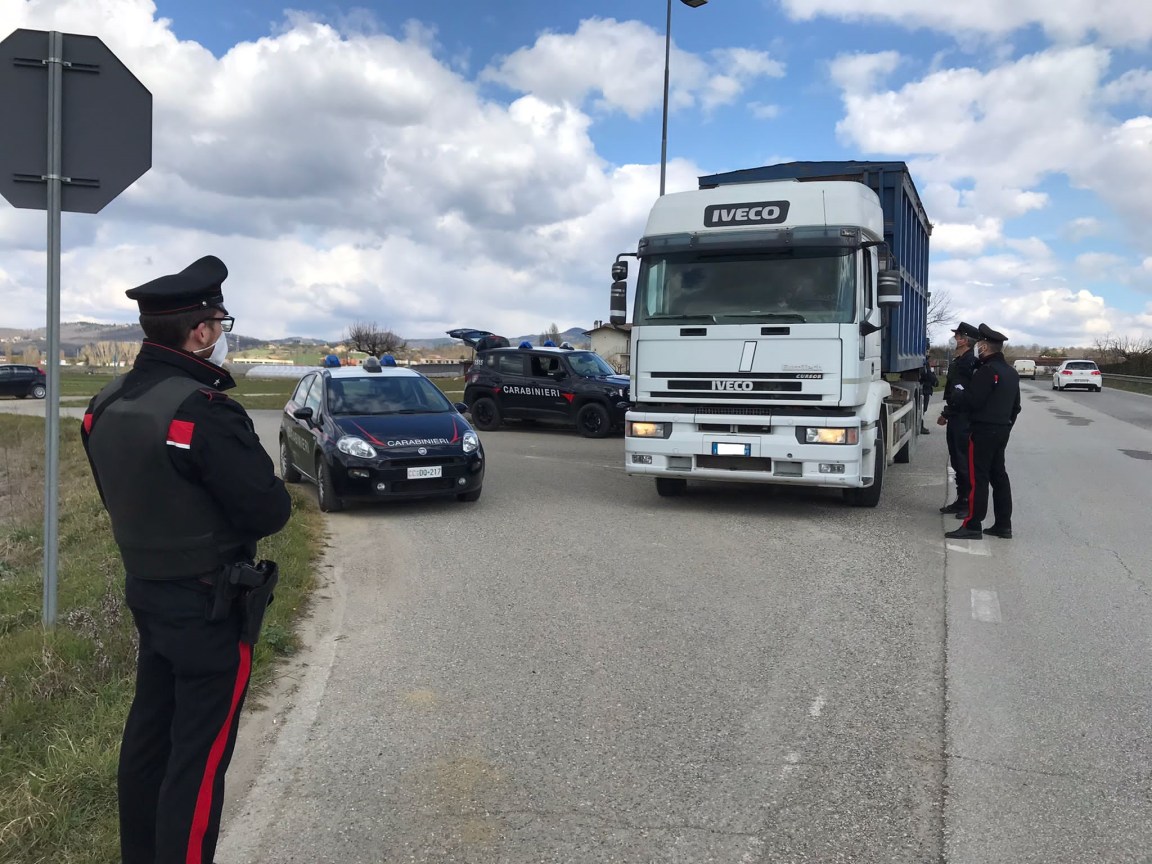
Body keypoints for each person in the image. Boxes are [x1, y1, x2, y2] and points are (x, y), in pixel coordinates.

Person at [81, 255, 291, 864]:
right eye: (221, 324)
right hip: (210, 606)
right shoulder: (201, 410)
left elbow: (118, 497)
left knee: (148, 742)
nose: (223, 336)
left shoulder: (105, 403)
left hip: (148, 593)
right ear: (200, 332)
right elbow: (269, 511)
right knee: (197, 766)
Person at [944, 323, 1021, 540]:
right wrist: (1005, 425)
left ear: (985, 347)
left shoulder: (987, 371)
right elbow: (1016, 406)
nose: (978, 348)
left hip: (982, 430)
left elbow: (973, 401)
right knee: (999, 477)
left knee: (979, 479)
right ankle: (1003, 524)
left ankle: (973, 524)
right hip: (1002, 429)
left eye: (979, 344)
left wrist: (959, 395)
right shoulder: (1011, 373)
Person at [937, 322, 981, 514]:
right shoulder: (959, 360)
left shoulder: (970, 362)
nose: (953, 339)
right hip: (955, 415)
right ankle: (961, 498)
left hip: (965, 418)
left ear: (965, 341)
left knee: (964, 462)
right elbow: (954, 391)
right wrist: (946, 413)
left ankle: (968, 502)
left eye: (957, 336)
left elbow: (966, 394)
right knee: (956, 460)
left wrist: (952, 411)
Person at [919, 349, 938, 435]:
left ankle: (920, 425)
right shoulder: (924, 363)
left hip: (926, 388)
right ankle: (920, 425)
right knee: (922, 408)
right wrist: (934, 380)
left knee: (923, 408)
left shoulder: (926, 363)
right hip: (925, 389)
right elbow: (928, 375)